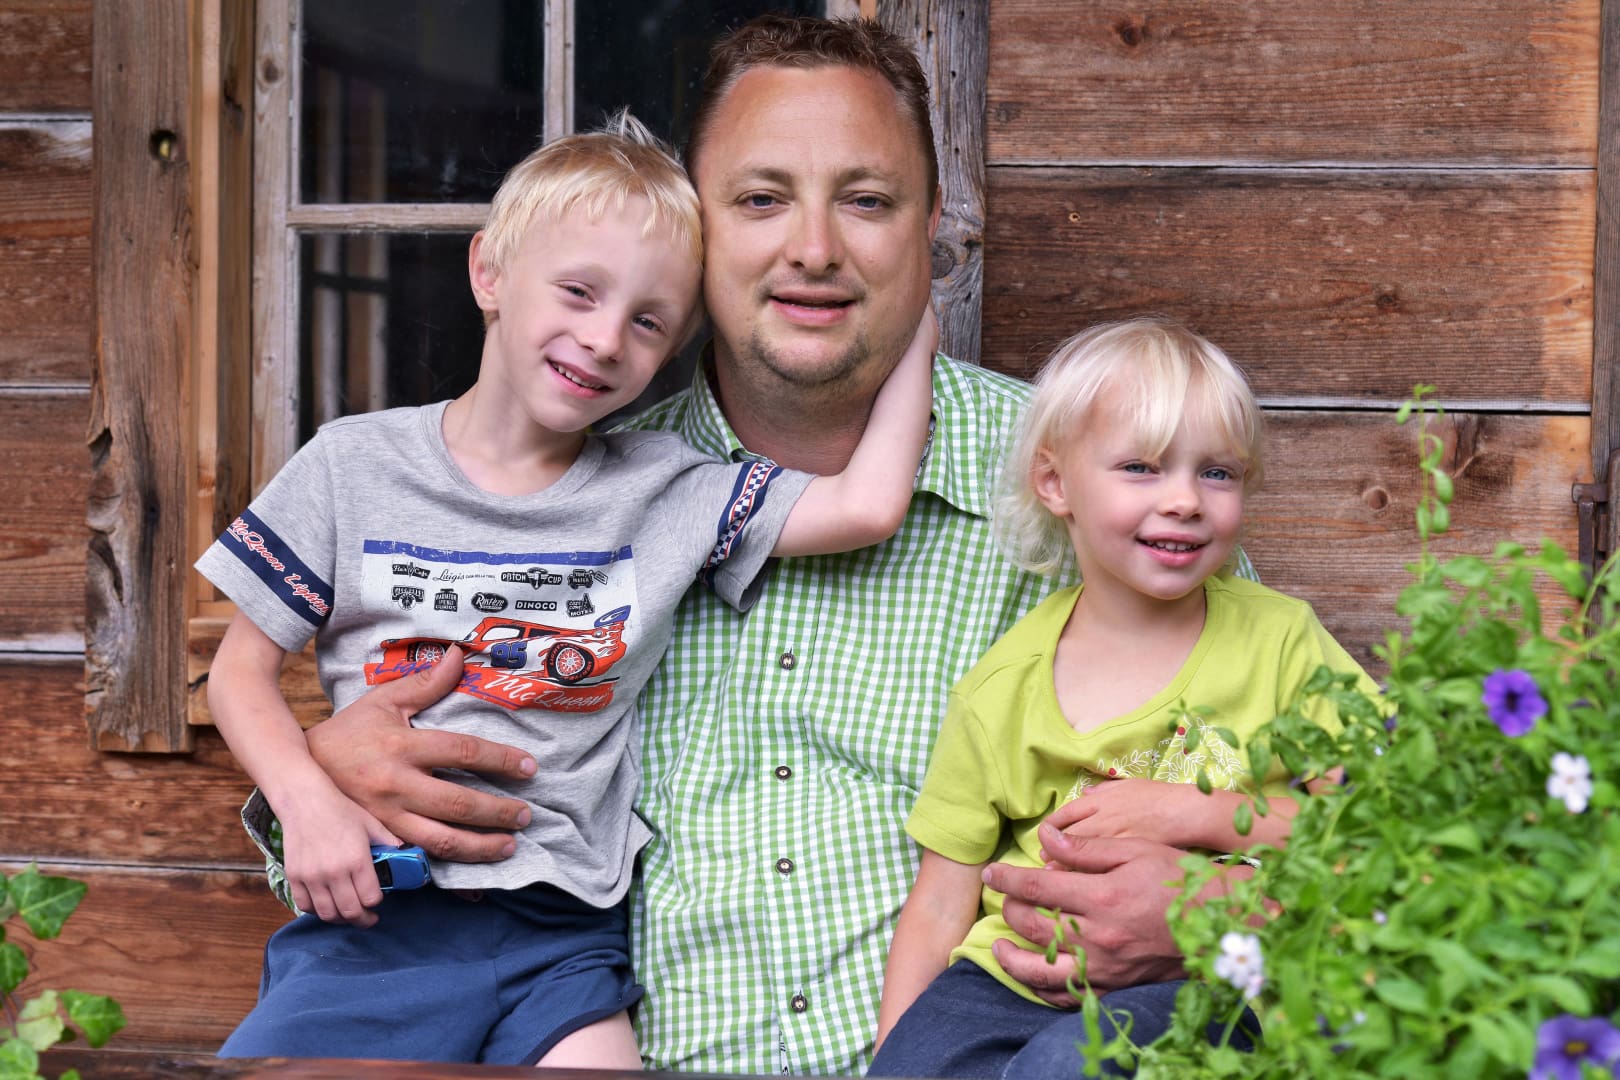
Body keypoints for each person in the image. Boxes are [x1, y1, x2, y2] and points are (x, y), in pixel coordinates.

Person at [276, 16, 1255, 1075]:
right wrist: (316, 780)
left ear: (932, 224)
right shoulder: (575, 515)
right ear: (697, 230)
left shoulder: (1106, 498)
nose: (815, 249)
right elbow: (427, 855)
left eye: (866, 200)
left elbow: (1337, 832)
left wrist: (1227, 903)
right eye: (760, 199)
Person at [196, 112, 936, 1068]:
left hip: (561, 939)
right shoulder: (352, 465)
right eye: (579, 292)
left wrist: (914, 321)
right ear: (490, 273)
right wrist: (305, 801)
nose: (603, 339)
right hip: (374, 924)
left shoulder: (664, 489)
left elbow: (869, 506)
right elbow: (238, 673)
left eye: (647, 322)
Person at [869, 317, 1379, 1078]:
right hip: (1013, 978)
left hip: (1207, 974)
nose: (1185, 500)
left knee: (1068, 1063)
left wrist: (1197, 816)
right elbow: (942, 901)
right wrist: (895, 1053)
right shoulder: (1001, 686)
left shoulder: (1280, 643)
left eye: (1217, 473)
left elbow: (1380, 827)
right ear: (1054, 483)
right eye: (1141, 467)